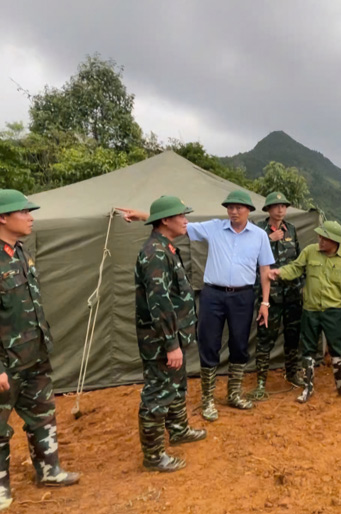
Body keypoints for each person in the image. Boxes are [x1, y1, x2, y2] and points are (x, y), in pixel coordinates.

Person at [0, 189, 80, 514]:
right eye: (24, 212)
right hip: (1, 364)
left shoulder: (18, 251)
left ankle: (49, 470)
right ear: (2, 217)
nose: (31, 217)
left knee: (42, 416)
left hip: (33, 357)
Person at [187, 190, 274, 420]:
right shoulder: (214, 227)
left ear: (248, 210)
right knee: (208, 343)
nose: (234, 211)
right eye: (230, 207)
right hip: (212, 295)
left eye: (239, 207)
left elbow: (265, 271)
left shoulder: (259, 235)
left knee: (240, 343)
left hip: (243, 297)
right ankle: (207, 400)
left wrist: (265, 302)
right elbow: (182, 225)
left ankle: (233, 394)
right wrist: (145, 216)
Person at [135, 196, 207, 473]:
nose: (186, 219)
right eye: (181, 215)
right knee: (157, 394)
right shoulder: (155, 253)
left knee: (177, 385)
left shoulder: (166, 248)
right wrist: (170, 344)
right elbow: (159, 302)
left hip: (174, 336)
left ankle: (178, 429)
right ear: (166, 220)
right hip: (161, 341)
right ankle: (153, 457)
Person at [270, 221, 341, 403]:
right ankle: (307, 388)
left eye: (324, 238)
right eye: (319, 236)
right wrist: (279, 272)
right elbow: (296, 267)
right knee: (308, 349)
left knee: (337, 348)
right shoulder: (310, 251)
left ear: (335, 241)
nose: (320, 240)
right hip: (310, 310)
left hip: (333, 311)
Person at [249, 192, 304, 400]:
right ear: (268, 209)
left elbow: (297, 261)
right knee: (265, 339)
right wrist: (270, 240)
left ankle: (292, 374)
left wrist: (301, 286)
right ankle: (261, 383)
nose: (280, 209)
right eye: (276, 206)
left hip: (291, 293)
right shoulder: (258, 231)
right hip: (268, 295)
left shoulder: (291, 230)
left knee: (292, 336)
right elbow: (249, 258)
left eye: (283, 206)